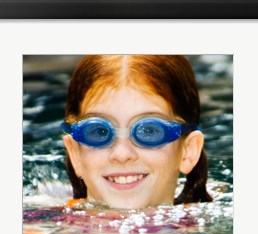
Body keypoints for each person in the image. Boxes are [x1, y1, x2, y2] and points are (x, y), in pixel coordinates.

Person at [61, 55, 212, 210]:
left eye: (148, 131)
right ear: (75, 153)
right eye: (100, 131)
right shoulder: (44, 228)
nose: (122, 154)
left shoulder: (212, 228)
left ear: (188, 151)